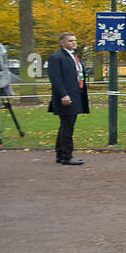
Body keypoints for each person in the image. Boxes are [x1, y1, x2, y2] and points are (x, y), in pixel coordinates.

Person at [47, 32, 88, 166]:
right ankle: (66, 156)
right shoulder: (56, 57)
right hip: (66, 97)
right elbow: (55, 78)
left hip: (76, 94)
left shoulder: (74, 56)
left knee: (66, 125)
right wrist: (63, 94)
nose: (74, 43)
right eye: (70, 41)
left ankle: (61, 154)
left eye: (75, 40)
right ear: (62, 43)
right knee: (67, 126)